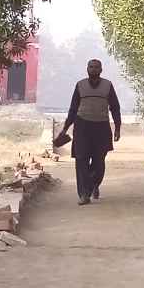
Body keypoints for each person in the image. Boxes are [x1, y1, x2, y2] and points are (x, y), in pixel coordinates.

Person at [59, 59, 122, 205]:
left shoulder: (107, 85)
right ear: (87, 69)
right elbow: (73, 109)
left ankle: (94, 184)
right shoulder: (80, 85)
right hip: (82, 127)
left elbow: (115, 108)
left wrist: (117, 128)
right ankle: (84, 194)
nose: (93, 69)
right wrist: (65, 128)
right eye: (91, 67)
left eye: (96, 67)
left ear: (101, 70)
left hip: (102, 127)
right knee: (81, 159)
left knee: (99, 162)